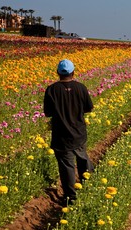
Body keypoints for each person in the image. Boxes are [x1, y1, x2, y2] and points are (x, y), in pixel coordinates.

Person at [44, 59, 94, 204]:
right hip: (78, 132)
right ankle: (89, 185)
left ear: (58, 73)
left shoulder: (52, 90)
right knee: (82, 157)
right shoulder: (81, 88)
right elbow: (88, 108)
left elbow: (48, 113)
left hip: (61, 134)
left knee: (67, 165)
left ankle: (71, 197)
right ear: (73, 72)